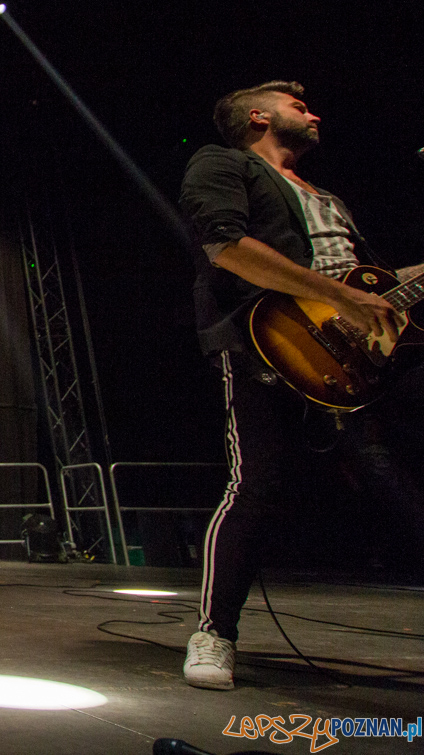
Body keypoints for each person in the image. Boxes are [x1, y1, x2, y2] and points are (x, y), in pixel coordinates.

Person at [177, 80, 424, 690]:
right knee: (255, 482)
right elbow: (227, 247)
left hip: (354, 358)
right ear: (258, 116)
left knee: (395, 481)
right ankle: (213, 634)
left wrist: (380, 292)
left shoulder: (329, 198)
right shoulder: (223, 163)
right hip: (269, 335)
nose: (312, 114)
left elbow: (375, 285)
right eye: (298, 106)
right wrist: (340, 295)